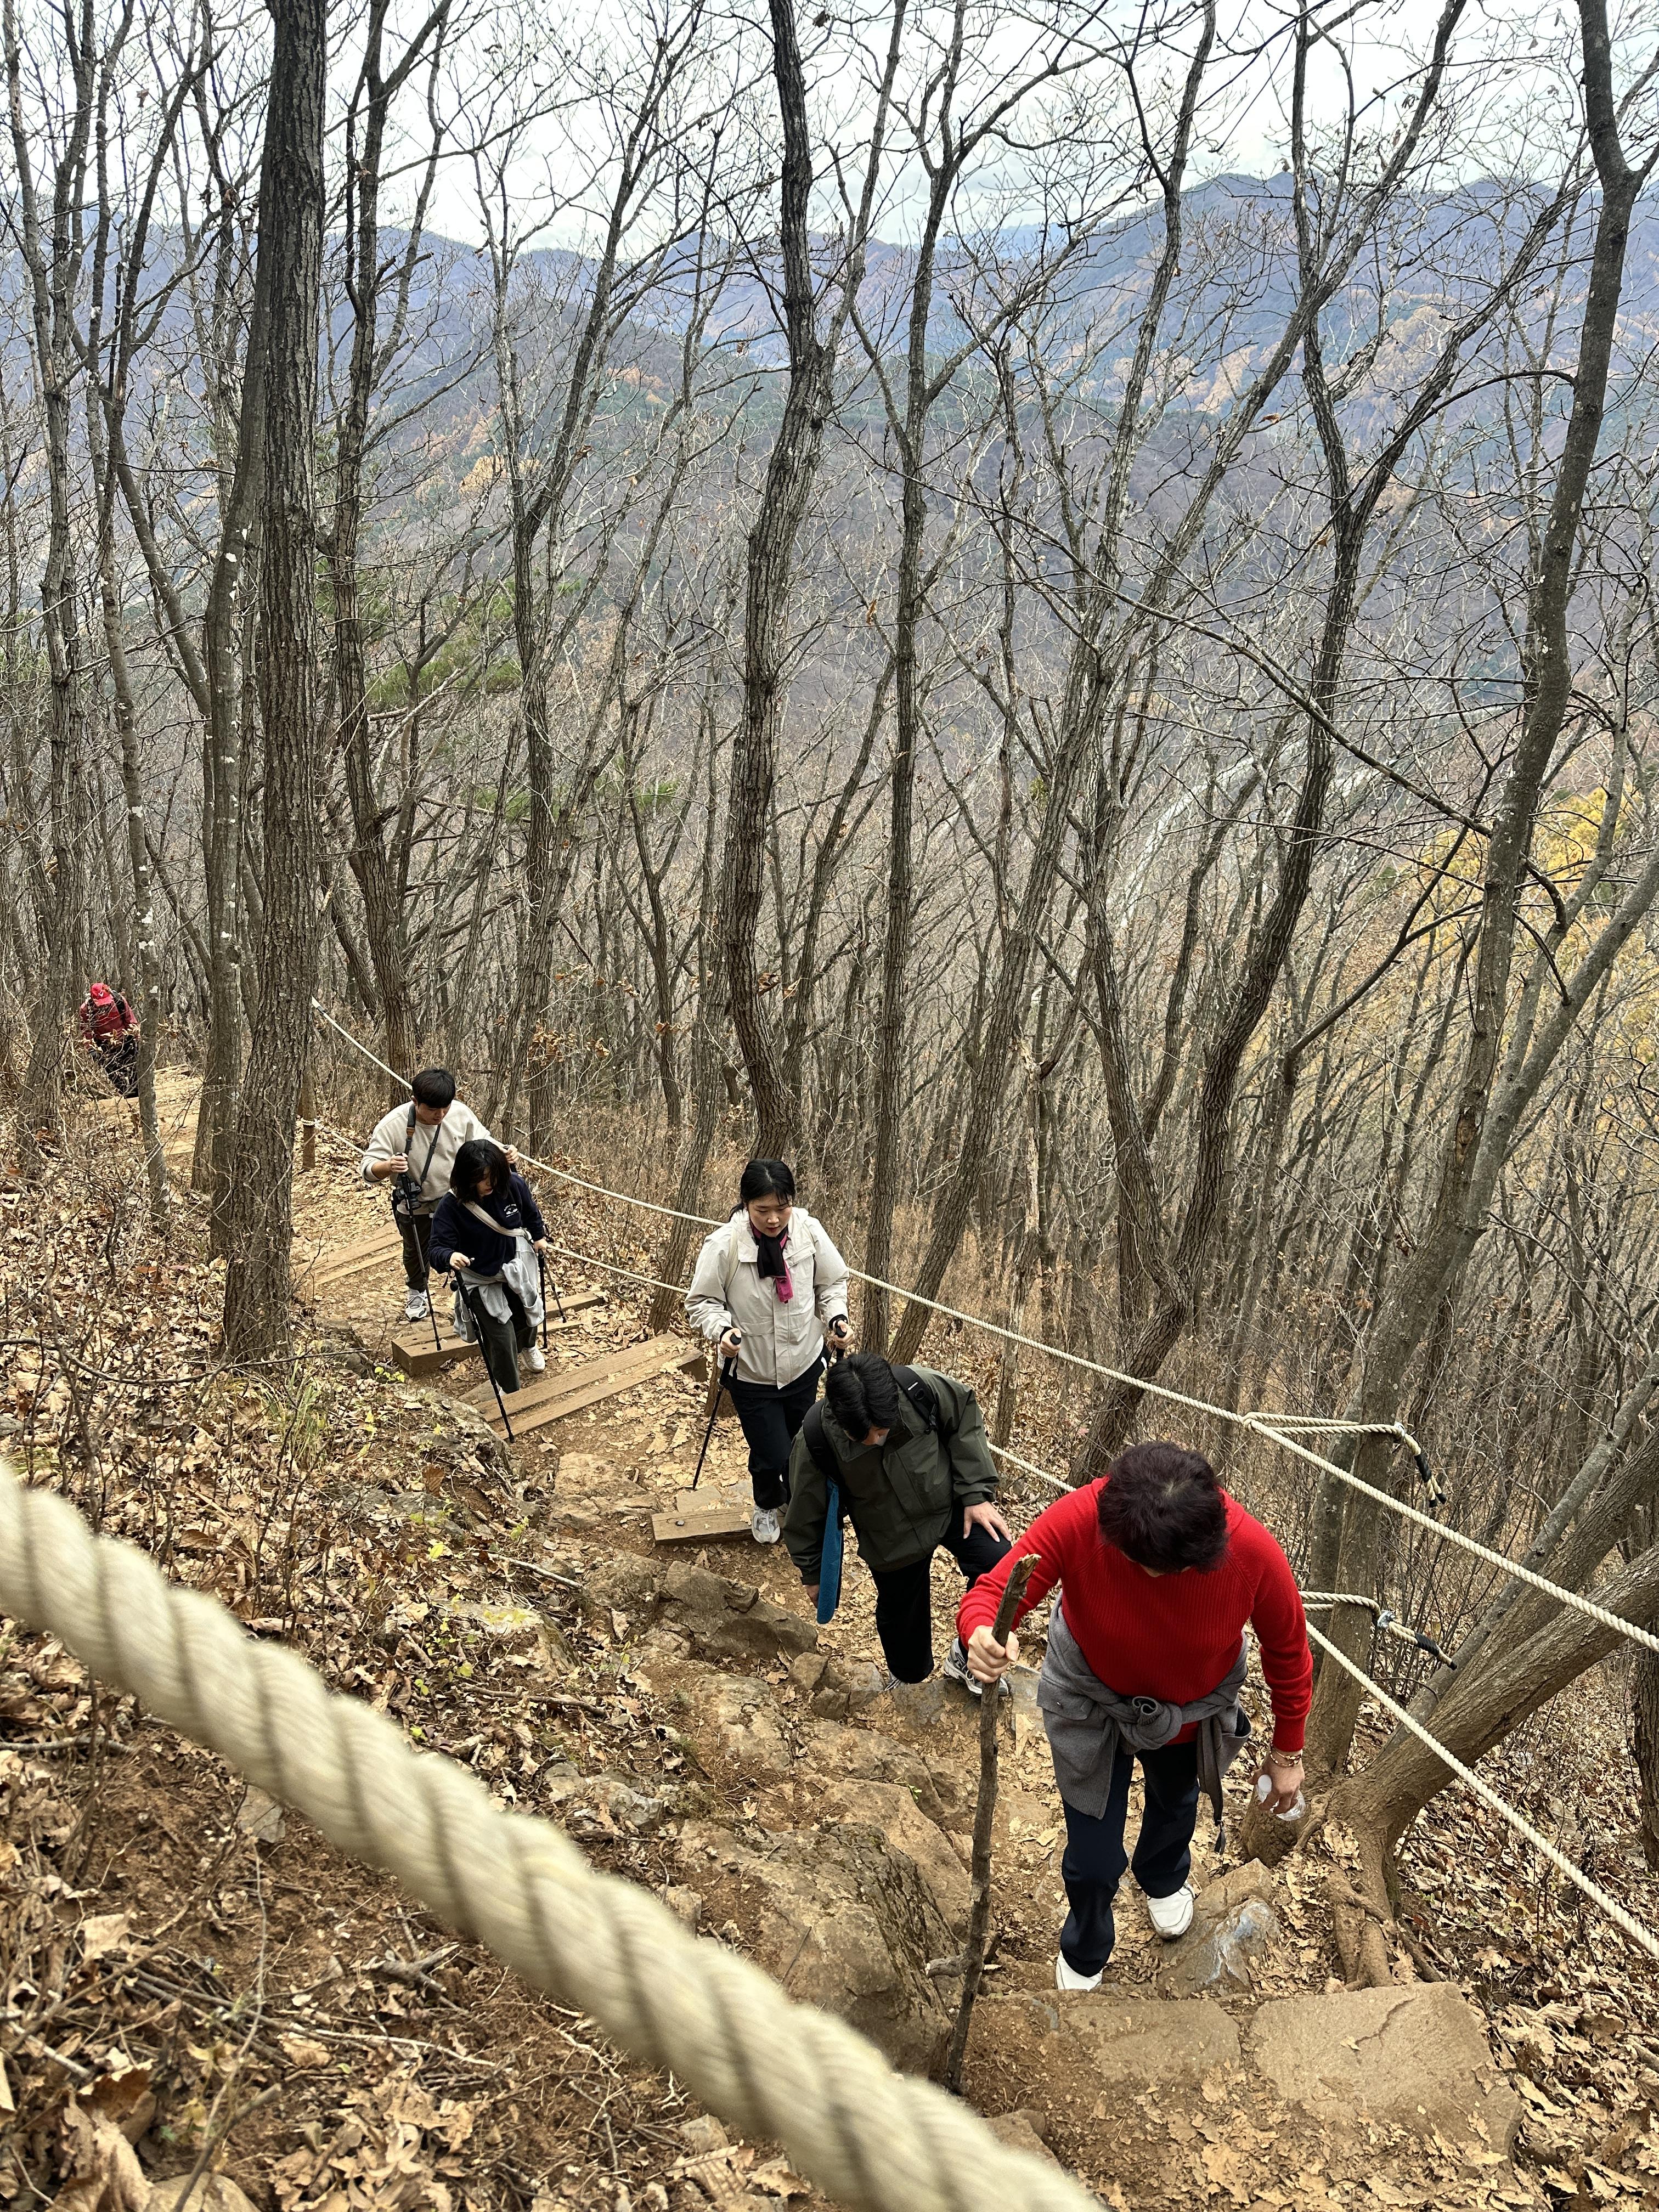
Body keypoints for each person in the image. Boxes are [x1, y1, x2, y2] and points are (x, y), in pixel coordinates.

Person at [958, 1442, 1311, 1990]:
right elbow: (995, 1591)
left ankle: (1162, 1876)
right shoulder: (1082, 1517)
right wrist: (982, 1633)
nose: (1153, 1578)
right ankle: (1086, 1946)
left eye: (1169, 1570)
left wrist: (1288, 1752)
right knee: (1093, 1857)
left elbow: (1288, 1651)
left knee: (1176, 1807)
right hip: (1090, 1701)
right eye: (1138, 1562)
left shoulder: (1254, 1552)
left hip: (1188, 1714)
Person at [782, 1350, 1013, 1689]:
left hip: (948, 1504)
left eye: (881, 1430)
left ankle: (969, 1656)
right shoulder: (816, 1438)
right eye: (863, 1437)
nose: (876, 1440)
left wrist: (976, 1493)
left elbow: (963, 1416)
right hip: (889, 1535)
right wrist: (813, 1572)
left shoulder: (917, 1388)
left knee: (1000, 1562)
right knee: (906, 1640)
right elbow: (804, 1509)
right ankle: (907, 1674)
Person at [686, 1160, 853, 1545]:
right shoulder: (725, 1245)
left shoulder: (809, 1232)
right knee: (771, 1452)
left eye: (782, 1207)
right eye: (763, 1210)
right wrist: (722, 1330)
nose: (774, 1219)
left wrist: (836, 1318)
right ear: (746, 1204)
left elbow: (831, 1284)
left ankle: (796, 1501)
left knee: (801, 1444)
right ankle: (766, 1504)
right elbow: (702, 1302)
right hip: (751, 1372)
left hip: (805, 1365)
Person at [360, 1069, 510, 1324]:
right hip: (415, 1203)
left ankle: (471, 1297)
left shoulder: (460, 1114)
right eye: (432, 1110)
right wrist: (388, 1166)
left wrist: (504, 1153)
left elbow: (484, 1142)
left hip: (457, 1199)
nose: (440, 1115)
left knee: (469, 1247)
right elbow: (367, 1168)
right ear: (415, 1101)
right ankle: (417, 1292)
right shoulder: (393, 1124)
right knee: (417, 1251)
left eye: (445, 1108)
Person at [427, 1139, 554, 1397]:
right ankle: (509, 1387)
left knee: (527, 1313)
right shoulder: (451, 1206)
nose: (490, 1184)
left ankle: (528, 1346)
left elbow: (530, 1212)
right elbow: (436, 1248)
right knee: (501, 1336)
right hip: (480, 1277)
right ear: (467, 1177)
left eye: (494, 1176)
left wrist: (539, 1236)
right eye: (482, 1178)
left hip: (514, 1266)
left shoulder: (513, 1185)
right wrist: (450, 1256)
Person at [77, 982, 139, 1098]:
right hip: (104, 1044)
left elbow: (131, 1021)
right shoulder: (86, 1010)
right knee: (113, 1074)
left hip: (125, 1039)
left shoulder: (119, 1001)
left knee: (134, 1069)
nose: (103, 1006)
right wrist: (91, 1049)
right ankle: (126, 1095)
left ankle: (137, 1094)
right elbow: (86, 1032)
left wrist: (137, 1037)